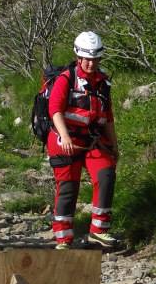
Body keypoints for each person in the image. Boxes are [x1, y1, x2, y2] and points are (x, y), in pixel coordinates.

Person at [47, 30, 120, 250]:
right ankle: (63, 239)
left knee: (106, 175)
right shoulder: (66, 79)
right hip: (65, 140)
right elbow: (55, 109)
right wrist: (65, 136)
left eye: (95, 59)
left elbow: (108, 117)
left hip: (93, 140)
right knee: (68, 188)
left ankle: (98, 231)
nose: (91, 63)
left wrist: (114, 145)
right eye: (87, 58)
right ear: (78, 57)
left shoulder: (103, 83)